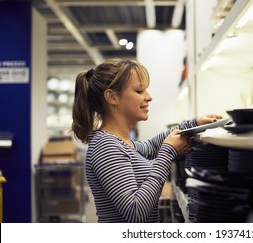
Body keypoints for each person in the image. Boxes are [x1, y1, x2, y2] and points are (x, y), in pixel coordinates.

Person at [71, 59, 222, 223]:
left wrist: (193, 123)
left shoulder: (120, 142)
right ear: (112, 97)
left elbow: (151, 146)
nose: (149, 97)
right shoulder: (105, 146)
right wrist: (168, 153)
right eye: (139, 91)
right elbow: (135, 212)